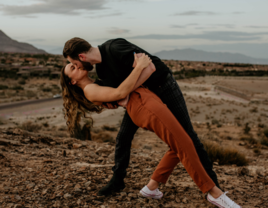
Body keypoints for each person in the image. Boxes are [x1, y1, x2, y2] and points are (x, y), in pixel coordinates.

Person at [60, 53, 242, 208]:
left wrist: (143, 71)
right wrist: (140, 67)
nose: (75, 66)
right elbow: (120, 93)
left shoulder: (97, 81)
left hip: (145, 100)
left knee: (178, 144)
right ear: (73, 81)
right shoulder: (90, 90)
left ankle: (151, 187)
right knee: (184, 143)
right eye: (72, 68)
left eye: (74, 64)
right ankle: (213, 193)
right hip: (143, 106)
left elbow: (124, 90)